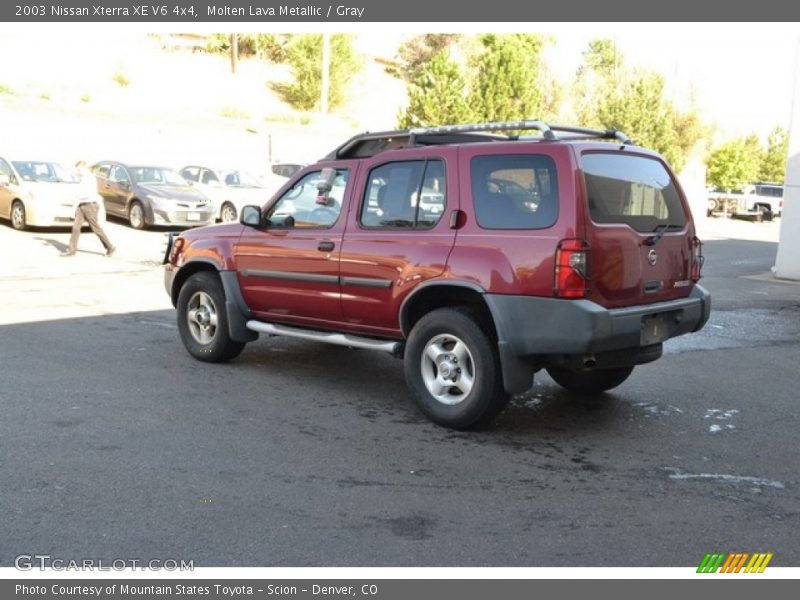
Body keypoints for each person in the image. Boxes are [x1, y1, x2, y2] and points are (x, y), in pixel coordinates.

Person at [60, 161, 115, 257]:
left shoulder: (89, 178)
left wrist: (76, 197)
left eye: (79, 169)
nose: (77, 171)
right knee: (76, 228)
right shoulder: (82, 178)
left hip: (90, 205)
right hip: (81, 205)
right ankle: (71, 250)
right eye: (77, 170)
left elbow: (87, 194)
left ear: (84, 168)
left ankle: (110, 247)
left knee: (95, 228)